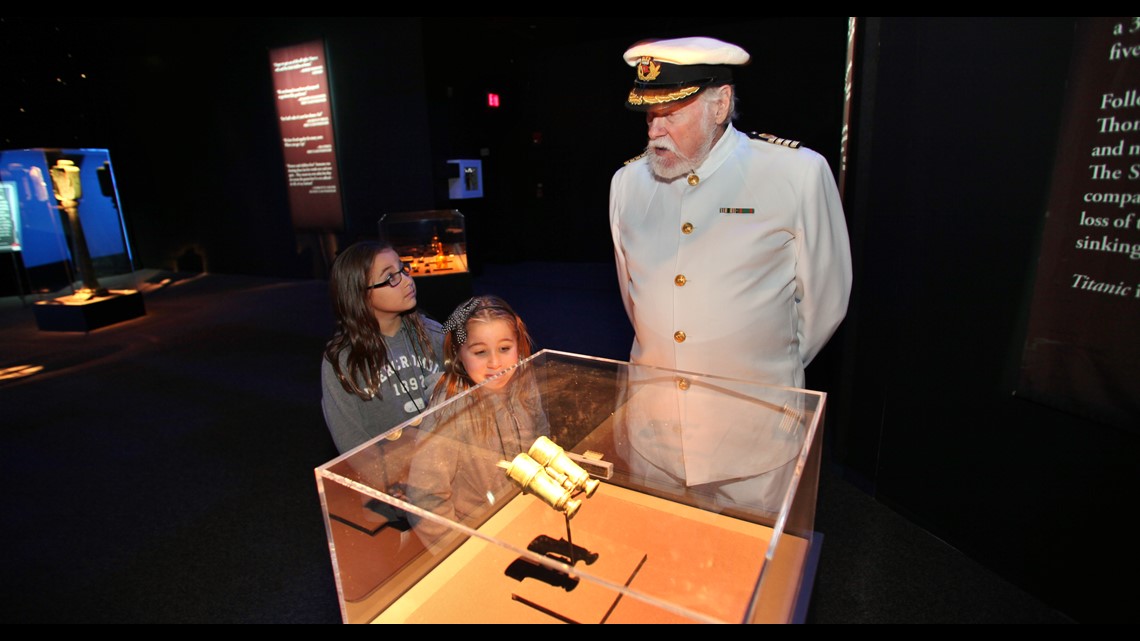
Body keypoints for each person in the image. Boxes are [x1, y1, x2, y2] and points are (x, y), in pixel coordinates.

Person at [609, 36, 853, 389]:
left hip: (754, 422)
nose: (654, 131)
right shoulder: (627, 184)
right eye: (650, 115)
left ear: (720, 105)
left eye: (671, 114)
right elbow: (636, 302)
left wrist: (763, 367)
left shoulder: (797, 173)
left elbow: (825, 306)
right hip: (654, 421)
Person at [405, 295, 550, 552]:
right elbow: (425, 496)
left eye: (505, 348)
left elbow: (541, 440)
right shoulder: (450, 408)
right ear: (459, 354)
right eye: (481, 352)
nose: (495, 363)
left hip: (526, 519)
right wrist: (459, 550)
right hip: (479, 535)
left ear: (519, 346)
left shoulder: (524, 381)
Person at [321, 240, 445, 454]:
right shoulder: (342, 361)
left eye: (403, 269)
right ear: (359, 294)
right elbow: (349, 439)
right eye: (390, 278)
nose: (408, 281)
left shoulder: (434, 334)